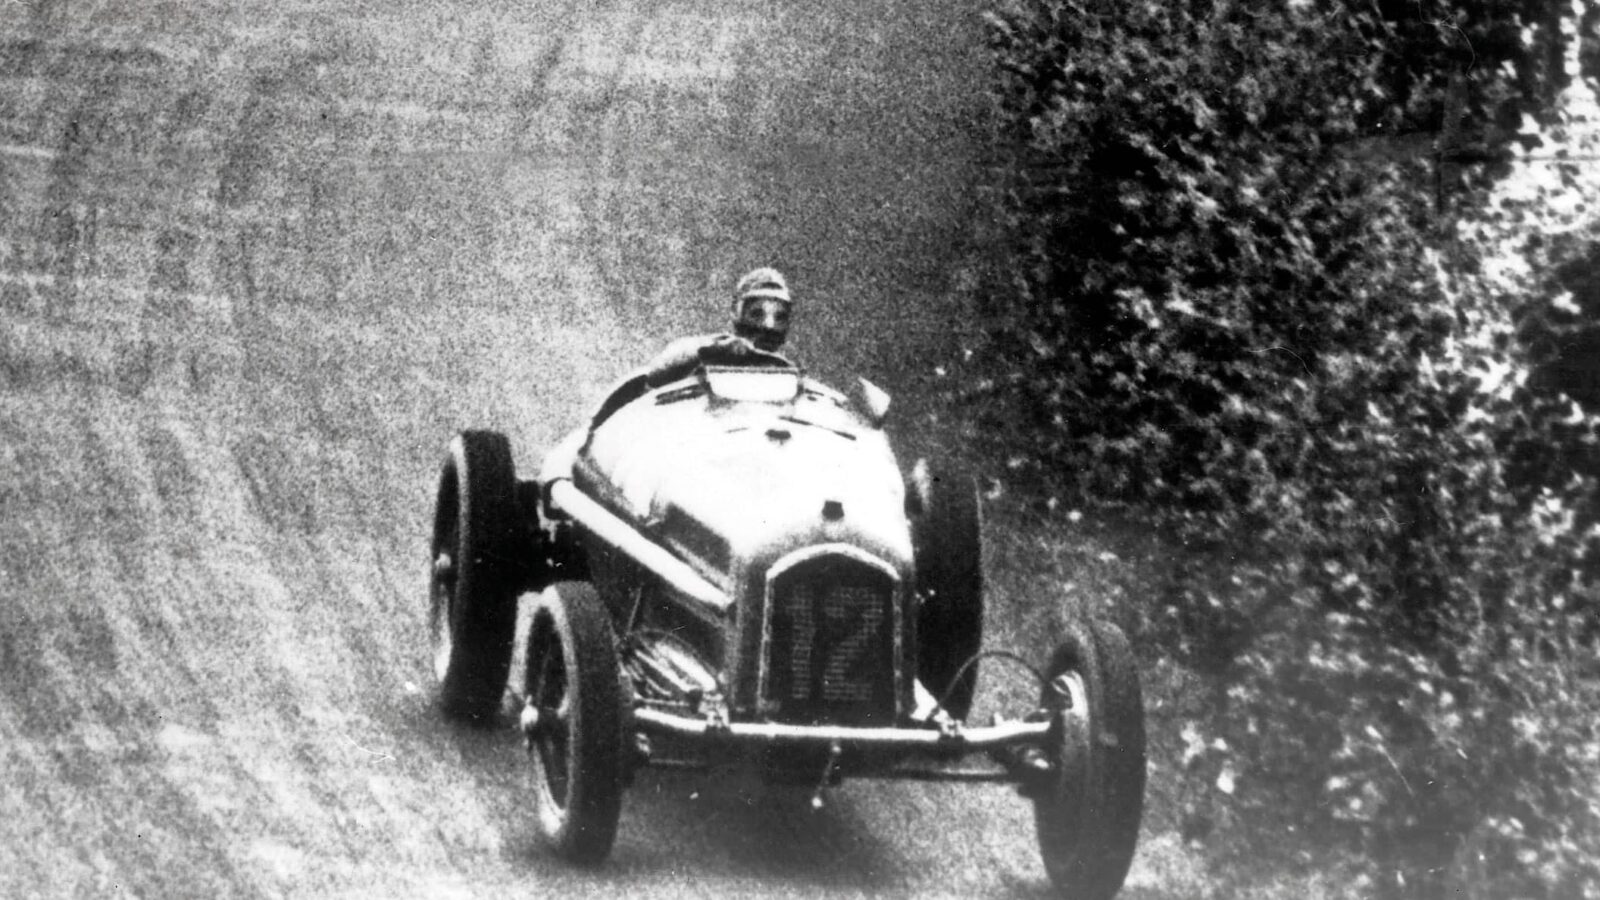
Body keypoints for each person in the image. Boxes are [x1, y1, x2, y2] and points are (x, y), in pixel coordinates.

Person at [538, 268, 797, 485]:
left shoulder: (791, 378)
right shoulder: (704, 350)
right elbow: (659, 372)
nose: (768, 325)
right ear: (737, 313)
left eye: (779, 316)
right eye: (756, 313)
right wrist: (716, 351)